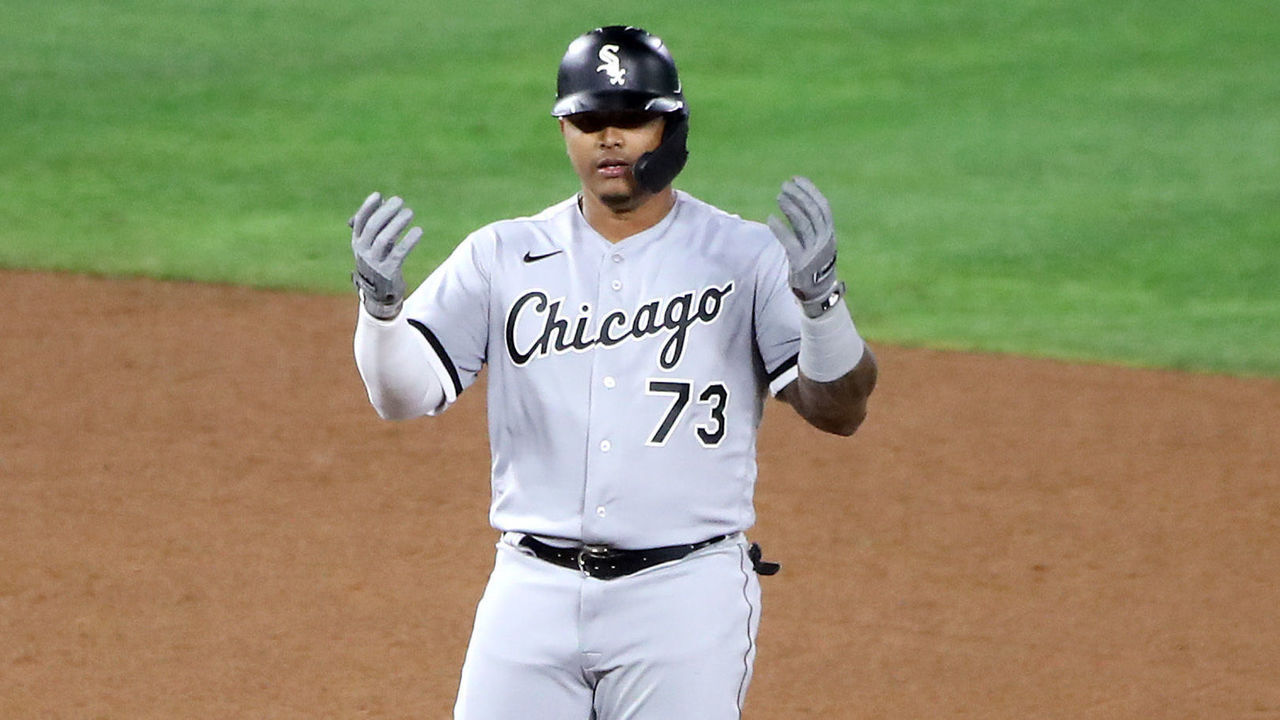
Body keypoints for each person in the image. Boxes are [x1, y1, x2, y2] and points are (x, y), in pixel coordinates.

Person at [349, 25, 877, 720]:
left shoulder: (744, 255)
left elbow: (839, 410)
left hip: (683, 595)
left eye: (631, 118)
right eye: (588, 119)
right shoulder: (503, 254)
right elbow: (403, 397)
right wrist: (381, 316)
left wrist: (823, 307)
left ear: (670, 129)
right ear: (566, 130)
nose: (610, 138)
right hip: (531, 592)